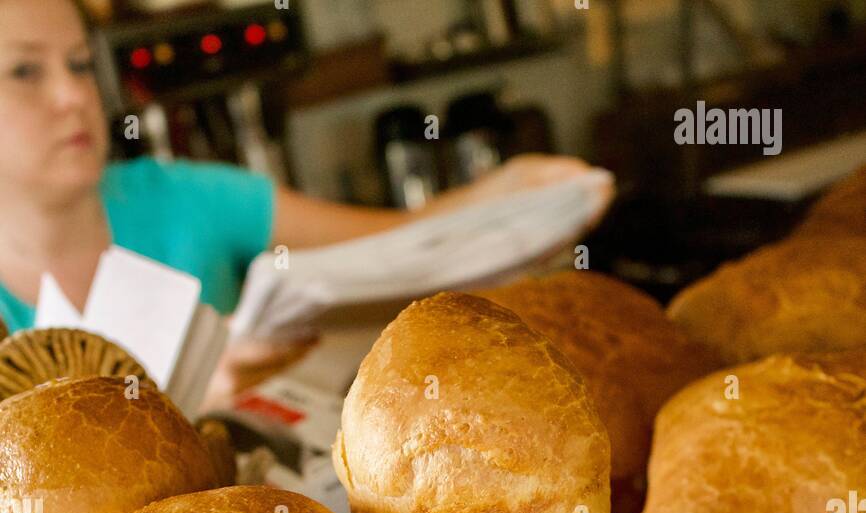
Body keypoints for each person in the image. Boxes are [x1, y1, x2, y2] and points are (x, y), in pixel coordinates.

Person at [0, 0, 600, 334]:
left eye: (80, 65)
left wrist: (502, 195)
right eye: (25, 72)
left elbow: (394, 242)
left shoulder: (187, 196)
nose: (72, 97)